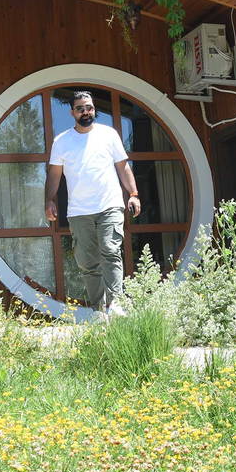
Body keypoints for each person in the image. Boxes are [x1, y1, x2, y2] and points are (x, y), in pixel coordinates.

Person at [44, 90, 141, 317]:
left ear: (94, 110)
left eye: (89, 108)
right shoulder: (62, 141)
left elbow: (123, 167)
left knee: (110, 250)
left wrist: (133, 193)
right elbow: (54, 174)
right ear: (72, 113)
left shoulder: (109, 134)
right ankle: (99, 310)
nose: (86, 112)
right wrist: (49, 200)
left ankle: (115, 304)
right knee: (88, 263)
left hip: (110, 204)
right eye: (80, 109)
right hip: (79, 211)